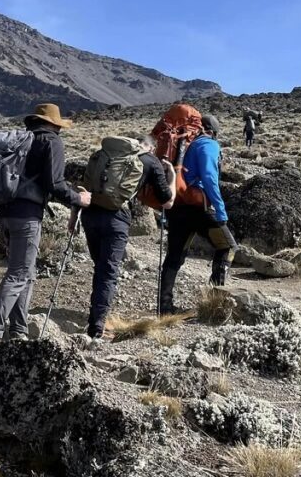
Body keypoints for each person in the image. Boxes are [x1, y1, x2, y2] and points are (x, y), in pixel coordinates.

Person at [0, 103, 91, 350]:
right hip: (27, 216)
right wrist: (78, 198)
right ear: (53, 123)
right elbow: (55, 184)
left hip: (5, 213)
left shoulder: (21, 142)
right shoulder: (51, 142)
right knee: (18, 273)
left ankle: (18, 330)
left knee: (26, 273)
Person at [79, 135, 175, 340]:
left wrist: (73, 218)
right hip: (116, 218)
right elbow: (167, 202)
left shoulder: (105, 155)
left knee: (100, 265)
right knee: (108, 271)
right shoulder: (150, 161)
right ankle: (97, 326)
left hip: (89, 214)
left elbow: (84, 188)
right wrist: (172, 176)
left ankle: (97, 313)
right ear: (151, 148)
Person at [158, 115, 237, 315]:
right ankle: (215, 300)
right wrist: (220, 209)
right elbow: (209, 177)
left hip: (177, 205)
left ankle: (164, 307)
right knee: (227, 246)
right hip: (198, 208)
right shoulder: (208, 144)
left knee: (174, 257)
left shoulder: (186, 145)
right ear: (213, 132)